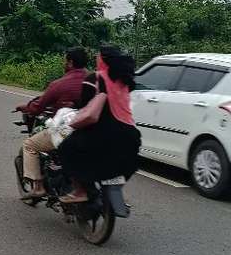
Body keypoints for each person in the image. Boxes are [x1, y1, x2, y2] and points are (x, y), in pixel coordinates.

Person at [57, 45, 140, 203]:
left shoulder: (95, 78)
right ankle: (113, 191)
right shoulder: (126, 81)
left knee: (65, 148)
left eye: (98, 56)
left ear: (103, 60)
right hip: (131, 135)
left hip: (106, 131)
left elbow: (86, 108)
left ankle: (80, 190)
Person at [17, 47, 90, 198]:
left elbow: (38, 107)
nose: (64, 63)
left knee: (29, 145)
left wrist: (25, 107)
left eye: (65, 60)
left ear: (70, 62)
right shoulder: (94, 80)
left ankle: (38, 187)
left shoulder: (59, 84)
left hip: (65, 130)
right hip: (90, 130)